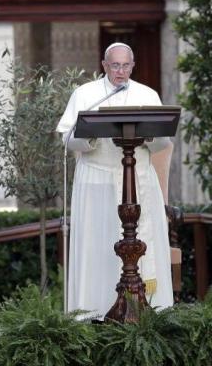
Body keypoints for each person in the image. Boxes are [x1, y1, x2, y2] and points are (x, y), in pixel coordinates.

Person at [57, 42, 173, 318]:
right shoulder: (86, 95)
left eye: (126, 65)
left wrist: (148, 135)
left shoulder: (147, 94)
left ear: (133, 66)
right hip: (97, 182)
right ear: (104, 65)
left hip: (139, 181)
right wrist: (91, 134)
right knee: (100, 251)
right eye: (115, 65)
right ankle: (95, 312)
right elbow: (67, 137)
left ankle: (147, 313)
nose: (120, 71)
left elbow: (162, 141)